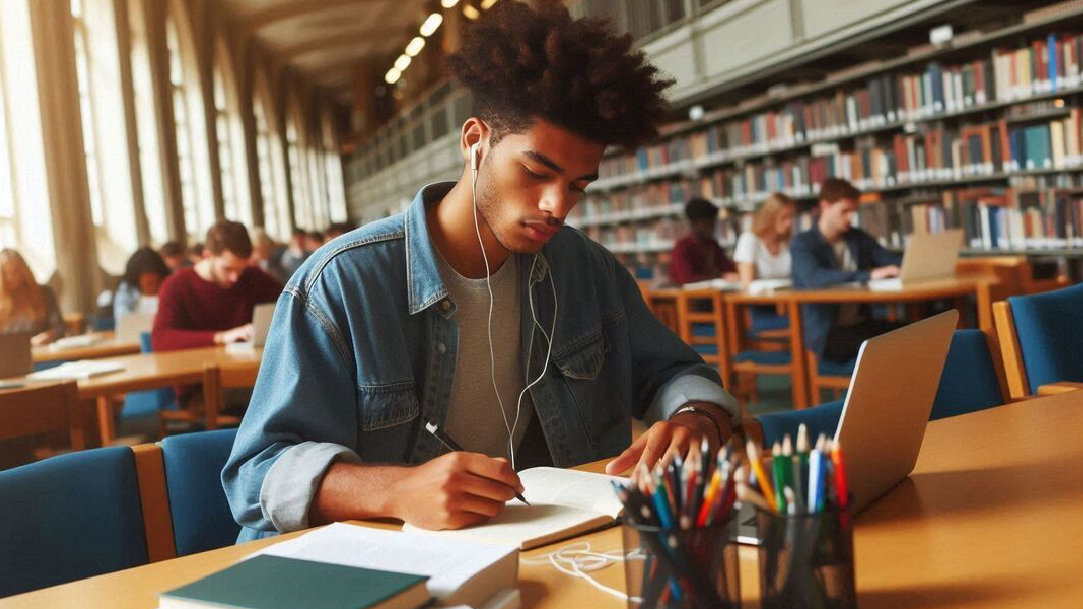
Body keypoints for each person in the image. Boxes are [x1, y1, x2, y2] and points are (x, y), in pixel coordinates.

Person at [223, 0, 739, 542]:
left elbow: (678, 373)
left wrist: (697, 418)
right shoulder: (343, 282)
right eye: (537, 171)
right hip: (378, 568)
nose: (557, 206)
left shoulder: (586, 271)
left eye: (579, 186)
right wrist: (397, 491)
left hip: (535, 553)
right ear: (475, 141)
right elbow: (257, 474)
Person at [791, 178, 902, 363]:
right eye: (844, 211)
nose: (851, 218)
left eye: (853, 211)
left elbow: (887, 259)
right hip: (828, 334)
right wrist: (868, 275)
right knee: (891, 348)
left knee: (917, 333)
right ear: (825, 206)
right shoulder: (803, 243)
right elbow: (815, 278)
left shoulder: (856, 238)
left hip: (862, 324)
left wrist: (910, 262)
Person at [152, 220, 282, 351]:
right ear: (207, 256)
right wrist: (220, 337)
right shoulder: (176, 285)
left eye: (241, 269)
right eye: (227, 269)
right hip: (197, 367)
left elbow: (291, 304)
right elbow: (160, 339)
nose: (235, 277)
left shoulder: (254, 277)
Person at [0, 249, 65, 345]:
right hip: (10, 356)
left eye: (15, 272)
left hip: (42, 353)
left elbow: (59, 328)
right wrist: (26, 344)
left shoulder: (45, 293)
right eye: (6, 273)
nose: (11, 277)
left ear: (24, 270)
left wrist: (48, 336)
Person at [669, 197, 738, 285]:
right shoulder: (682, 248)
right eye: (707, 223)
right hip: (690, 297)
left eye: (713, 223)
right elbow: (687, 279)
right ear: (694, 223)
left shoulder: (712, 245)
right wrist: (719, 276)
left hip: (713, 294)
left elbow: (728, 269)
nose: (712, 227)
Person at [734, 193, 795, 283]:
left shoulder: (789, 242)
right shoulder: (749, 240)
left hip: (788, 295)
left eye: (791, 217)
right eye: (784, 217)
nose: (789, 223)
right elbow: (746, 285)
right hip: (760, 296)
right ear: (770, 217)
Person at [113, 247, 171, 319]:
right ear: (136, 279)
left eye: (157, 282)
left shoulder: (169, 289)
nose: (153, 287)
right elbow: (122, 320)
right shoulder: (127, 291)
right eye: (149, 283)